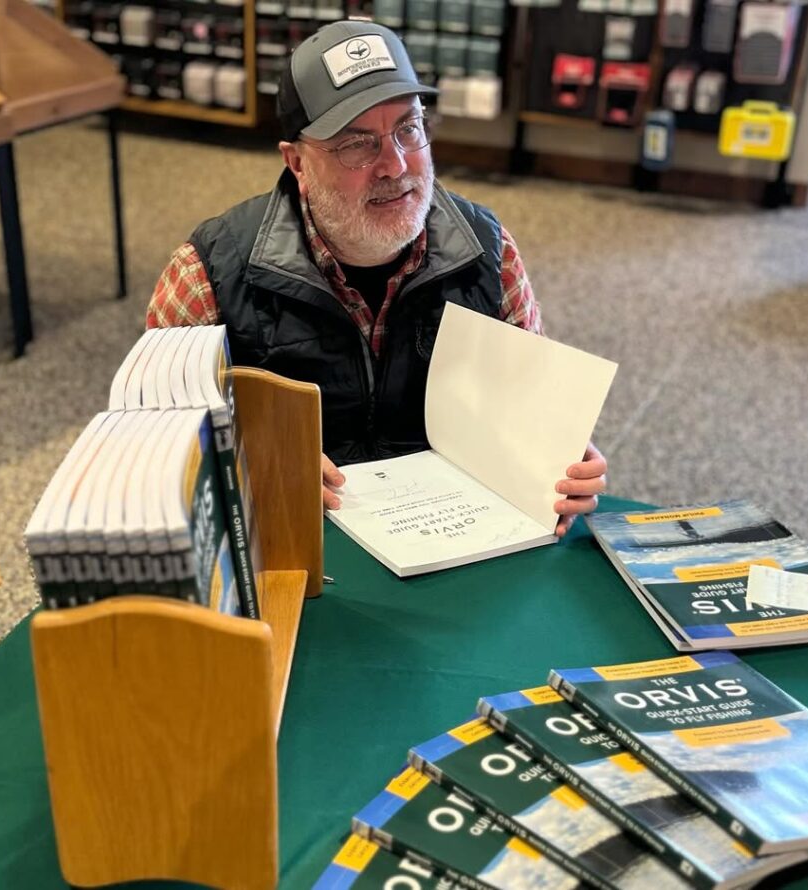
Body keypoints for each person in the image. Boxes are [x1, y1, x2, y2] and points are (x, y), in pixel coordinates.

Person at [147, 20, 606, 536]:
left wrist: (560, 461)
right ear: (296, 162)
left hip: (455, 542)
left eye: (408, 129)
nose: (394, 164)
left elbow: (531, 409)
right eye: (356, 145)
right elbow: (150, 447)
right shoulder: (208, 273)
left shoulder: (488, 250)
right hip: (293, 551)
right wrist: (243, 467)